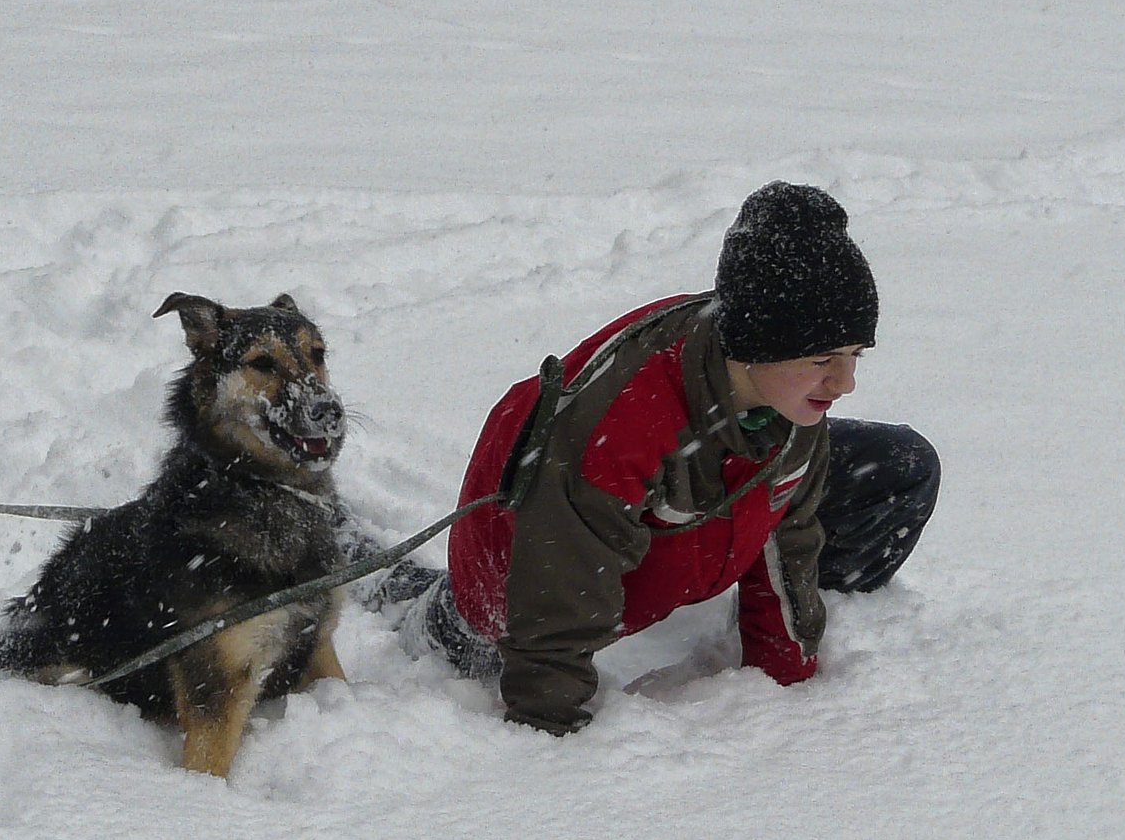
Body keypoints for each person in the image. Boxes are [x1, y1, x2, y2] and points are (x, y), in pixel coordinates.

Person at [384, 181, 940, 735]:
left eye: (854, 355)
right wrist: (549, 734)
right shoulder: (625, 420)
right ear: (757, 345)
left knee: (898, 467)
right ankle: (404, 599)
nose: (846, 382)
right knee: (467, 631)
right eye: (825, 357)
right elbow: (555, 595)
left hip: (646, 546)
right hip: (518, 577)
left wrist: (787, 686)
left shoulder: (788, 397)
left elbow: (786, 537)